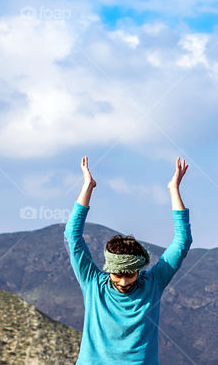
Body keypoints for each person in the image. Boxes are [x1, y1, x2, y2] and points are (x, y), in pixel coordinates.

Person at [65, 156, 193, 364]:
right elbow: (73, 235)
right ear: (108, 268)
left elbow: (182, 241)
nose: (124, 282)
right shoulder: (92, 283)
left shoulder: (153, 283)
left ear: (139, 269)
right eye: (117, 275)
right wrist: (88, 186)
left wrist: (173, 188)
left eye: (130, 275)